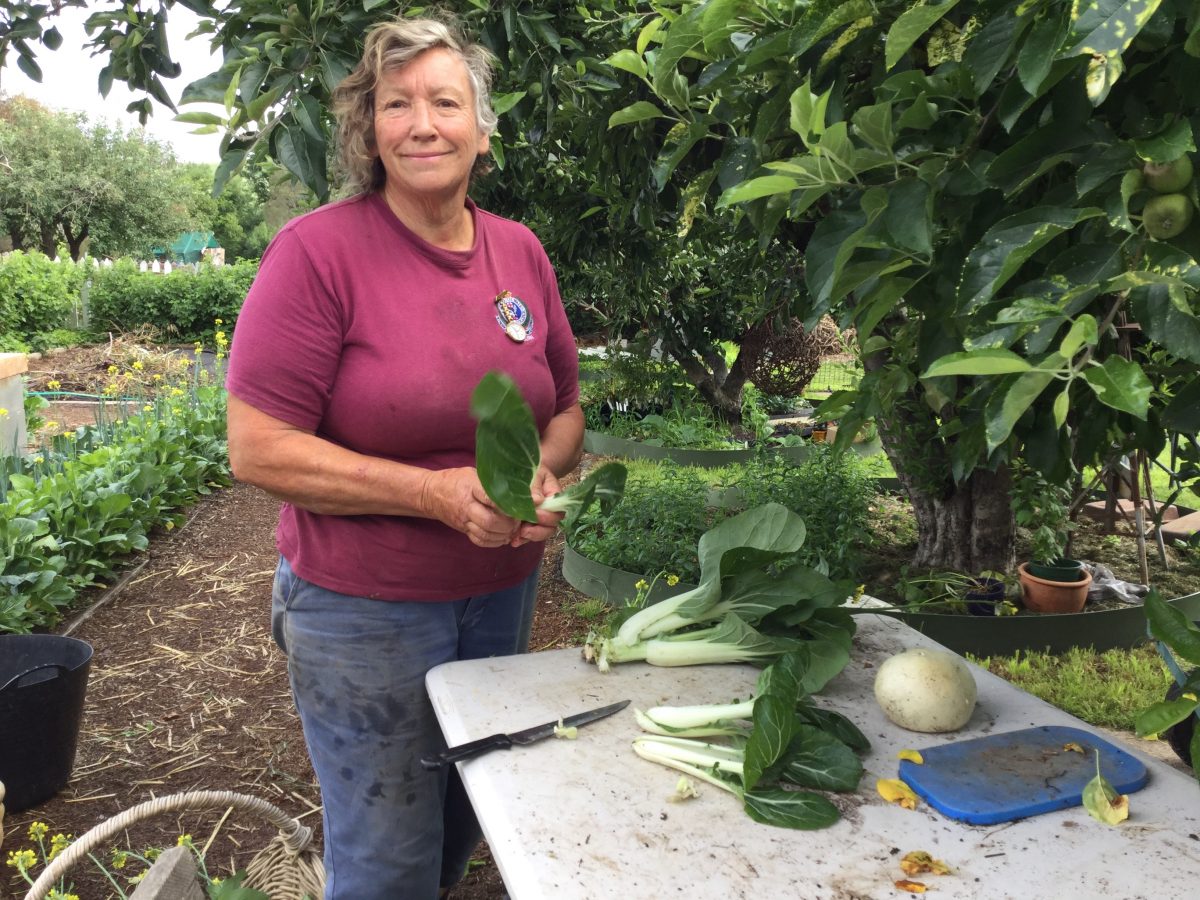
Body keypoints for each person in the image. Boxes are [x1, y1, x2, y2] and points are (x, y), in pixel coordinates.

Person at [223, 13, 583, 899]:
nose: (423, 123)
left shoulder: (520, 251)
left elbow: (567, 408)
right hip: (361, 613)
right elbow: (256, 448)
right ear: (369, 130)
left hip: (498, 597)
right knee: (386, 860)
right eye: (397, 104)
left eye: (445, 102)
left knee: (466, 815)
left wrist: (536, 472)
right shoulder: (318, 255)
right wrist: (432, 495)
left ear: (482, 128)